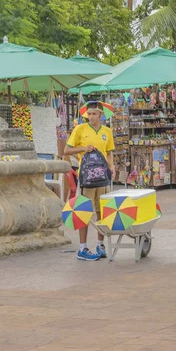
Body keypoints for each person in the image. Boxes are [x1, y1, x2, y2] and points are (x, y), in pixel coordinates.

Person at [64, 102, 115, 261]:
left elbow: (109, 152)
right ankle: (82, 247)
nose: (91, 117)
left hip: (103, 178)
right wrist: (83, 148)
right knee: (84, 211)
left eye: (94, 114)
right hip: (86, 178)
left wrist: (112, 166)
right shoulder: (80, 129)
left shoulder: (107, 131)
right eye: (89, 114)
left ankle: (100, 245)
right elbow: (66, 150)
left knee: (102, 211)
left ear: (101, 115)